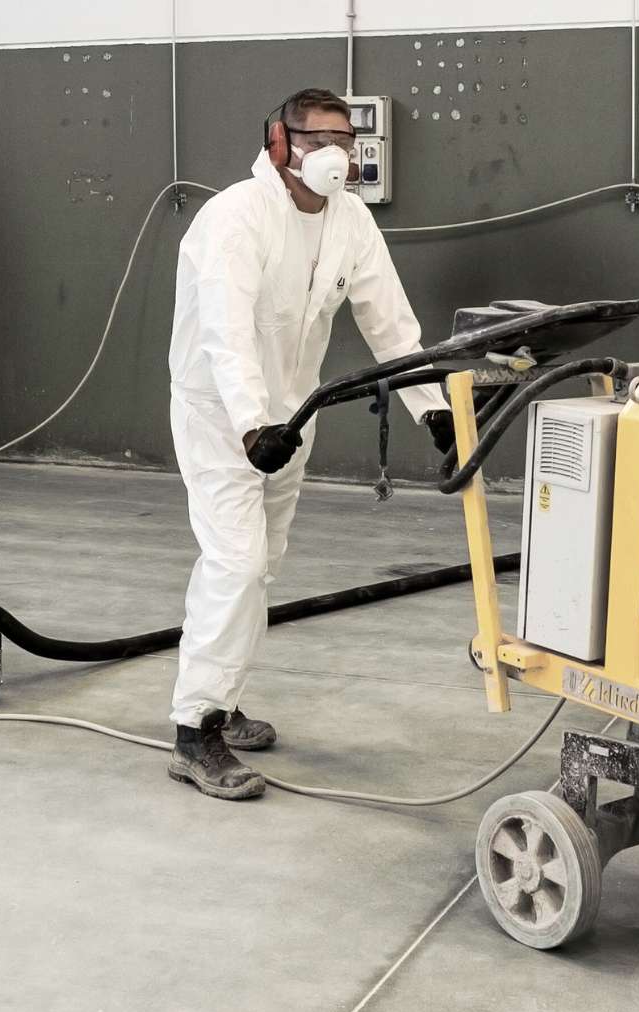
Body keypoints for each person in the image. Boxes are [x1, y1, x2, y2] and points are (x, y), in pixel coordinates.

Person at [166, 88, 451, 801]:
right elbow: (225, 332)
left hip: (292, 417)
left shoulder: (350, 221)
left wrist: (432, 409)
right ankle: (193, 728)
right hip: (224, 419)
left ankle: (223, 700)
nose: (334, 153)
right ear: (277, 142)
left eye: (344, 141)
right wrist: (250, 425)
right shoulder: (235, 217)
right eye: (316, 137)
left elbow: (391, 322)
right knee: (236, 562)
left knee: (264, 567)